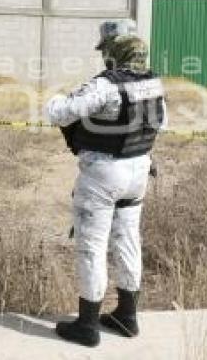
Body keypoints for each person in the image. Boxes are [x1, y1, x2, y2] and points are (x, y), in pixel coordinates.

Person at [46, 20, 166, 348]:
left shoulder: (106, 85)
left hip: (103, 174)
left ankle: (87, 325)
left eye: (106, 51)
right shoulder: (154, 81)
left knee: (92, 245)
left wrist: (55, 98)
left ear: (115, 49)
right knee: (128, 240)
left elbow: (60, 113)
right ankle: (126, 316)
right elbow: (161, 122)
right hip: (138, 169)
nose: (104, 58)